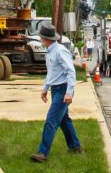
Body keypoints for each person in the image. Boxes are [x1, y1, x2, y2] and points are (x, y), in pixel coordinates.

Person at [31, 23, 82, 162]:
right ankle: (75, 147)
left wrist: (69, 92)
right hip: (56, 89)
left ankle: (42, 152)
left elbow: (71, 72)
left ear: (44, 38)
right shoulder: (50, 51)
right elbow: (51, 73)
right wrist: (45, 88)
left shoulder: (60, 51)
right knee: (64, 120)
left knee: (51, 121)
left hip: (63, 89)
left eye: (41, 36)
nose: (40, 38)